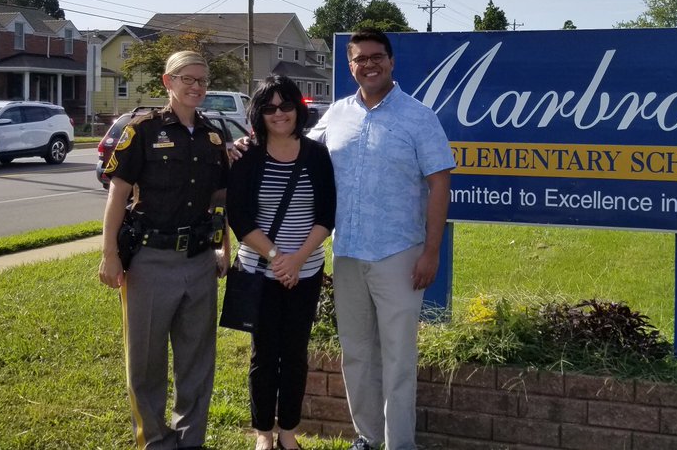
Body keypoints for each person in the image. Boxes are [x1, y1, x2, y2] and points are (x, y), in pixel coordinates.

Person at [307, 29, 455, 450]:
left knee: (398, 359)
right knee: (356, 353)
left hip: (400, 255)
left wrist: (431, 252)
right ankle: (368, 438)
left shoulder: (418, 117)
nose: (368, 64)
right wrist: (252, 144)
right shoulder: (335, 114)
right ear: (350, 65)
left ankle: (399, 444)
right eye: (359, 59)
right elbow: (298, 152)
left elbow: (439, 186)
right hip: (348, 253)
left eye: (376, 57)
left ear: (391, 62)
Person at [98, 50, 231, 450]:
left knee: (197, 361)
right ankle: (155, 441)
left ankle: (192, 441)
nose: (195, 86)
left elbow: (219, 197)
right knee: (146, 363)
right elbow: (117, 195)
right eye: (186, 79)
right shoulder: (141, 130)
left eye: (202, 81)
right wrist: (109, 254)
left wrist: (224, 247)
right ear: (167, 82)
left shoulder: (212, 136)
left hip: (198, 261)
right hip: (150, 262)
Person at [227, 76, 336, 450]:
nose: (278, 114)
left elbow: (326, 214)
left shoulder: (315, 154)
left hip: (304, 273)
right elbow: (239, 218)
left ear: (297, 109)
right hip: (260, 272)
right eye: (269, 107)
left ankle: (288, 432)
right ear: (259, 113)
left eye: (286, 105)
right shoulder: (247, 155)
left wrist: (297, 260)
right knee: (263, 354)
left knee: (294, 354)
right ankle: (262, 433)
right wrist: (276, 258)